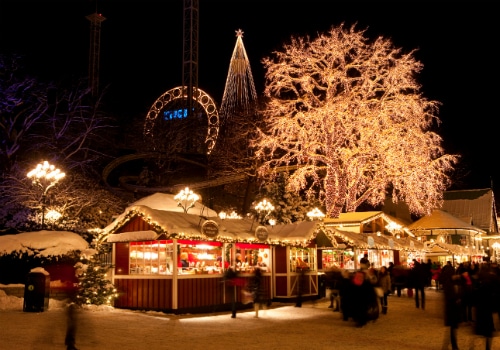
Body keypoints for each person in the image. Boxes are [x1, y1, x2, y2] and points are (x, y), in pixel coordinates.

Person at [440, 260, 461, 350]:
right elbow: (451, 297)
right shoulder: (448, 284)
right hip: (451, 310)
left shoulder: (452, 283)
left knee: (452, 329)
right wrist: (457, 299)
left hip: (452, 310)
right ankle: (447, 346)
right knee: (449, 330)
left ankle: (453, 345)